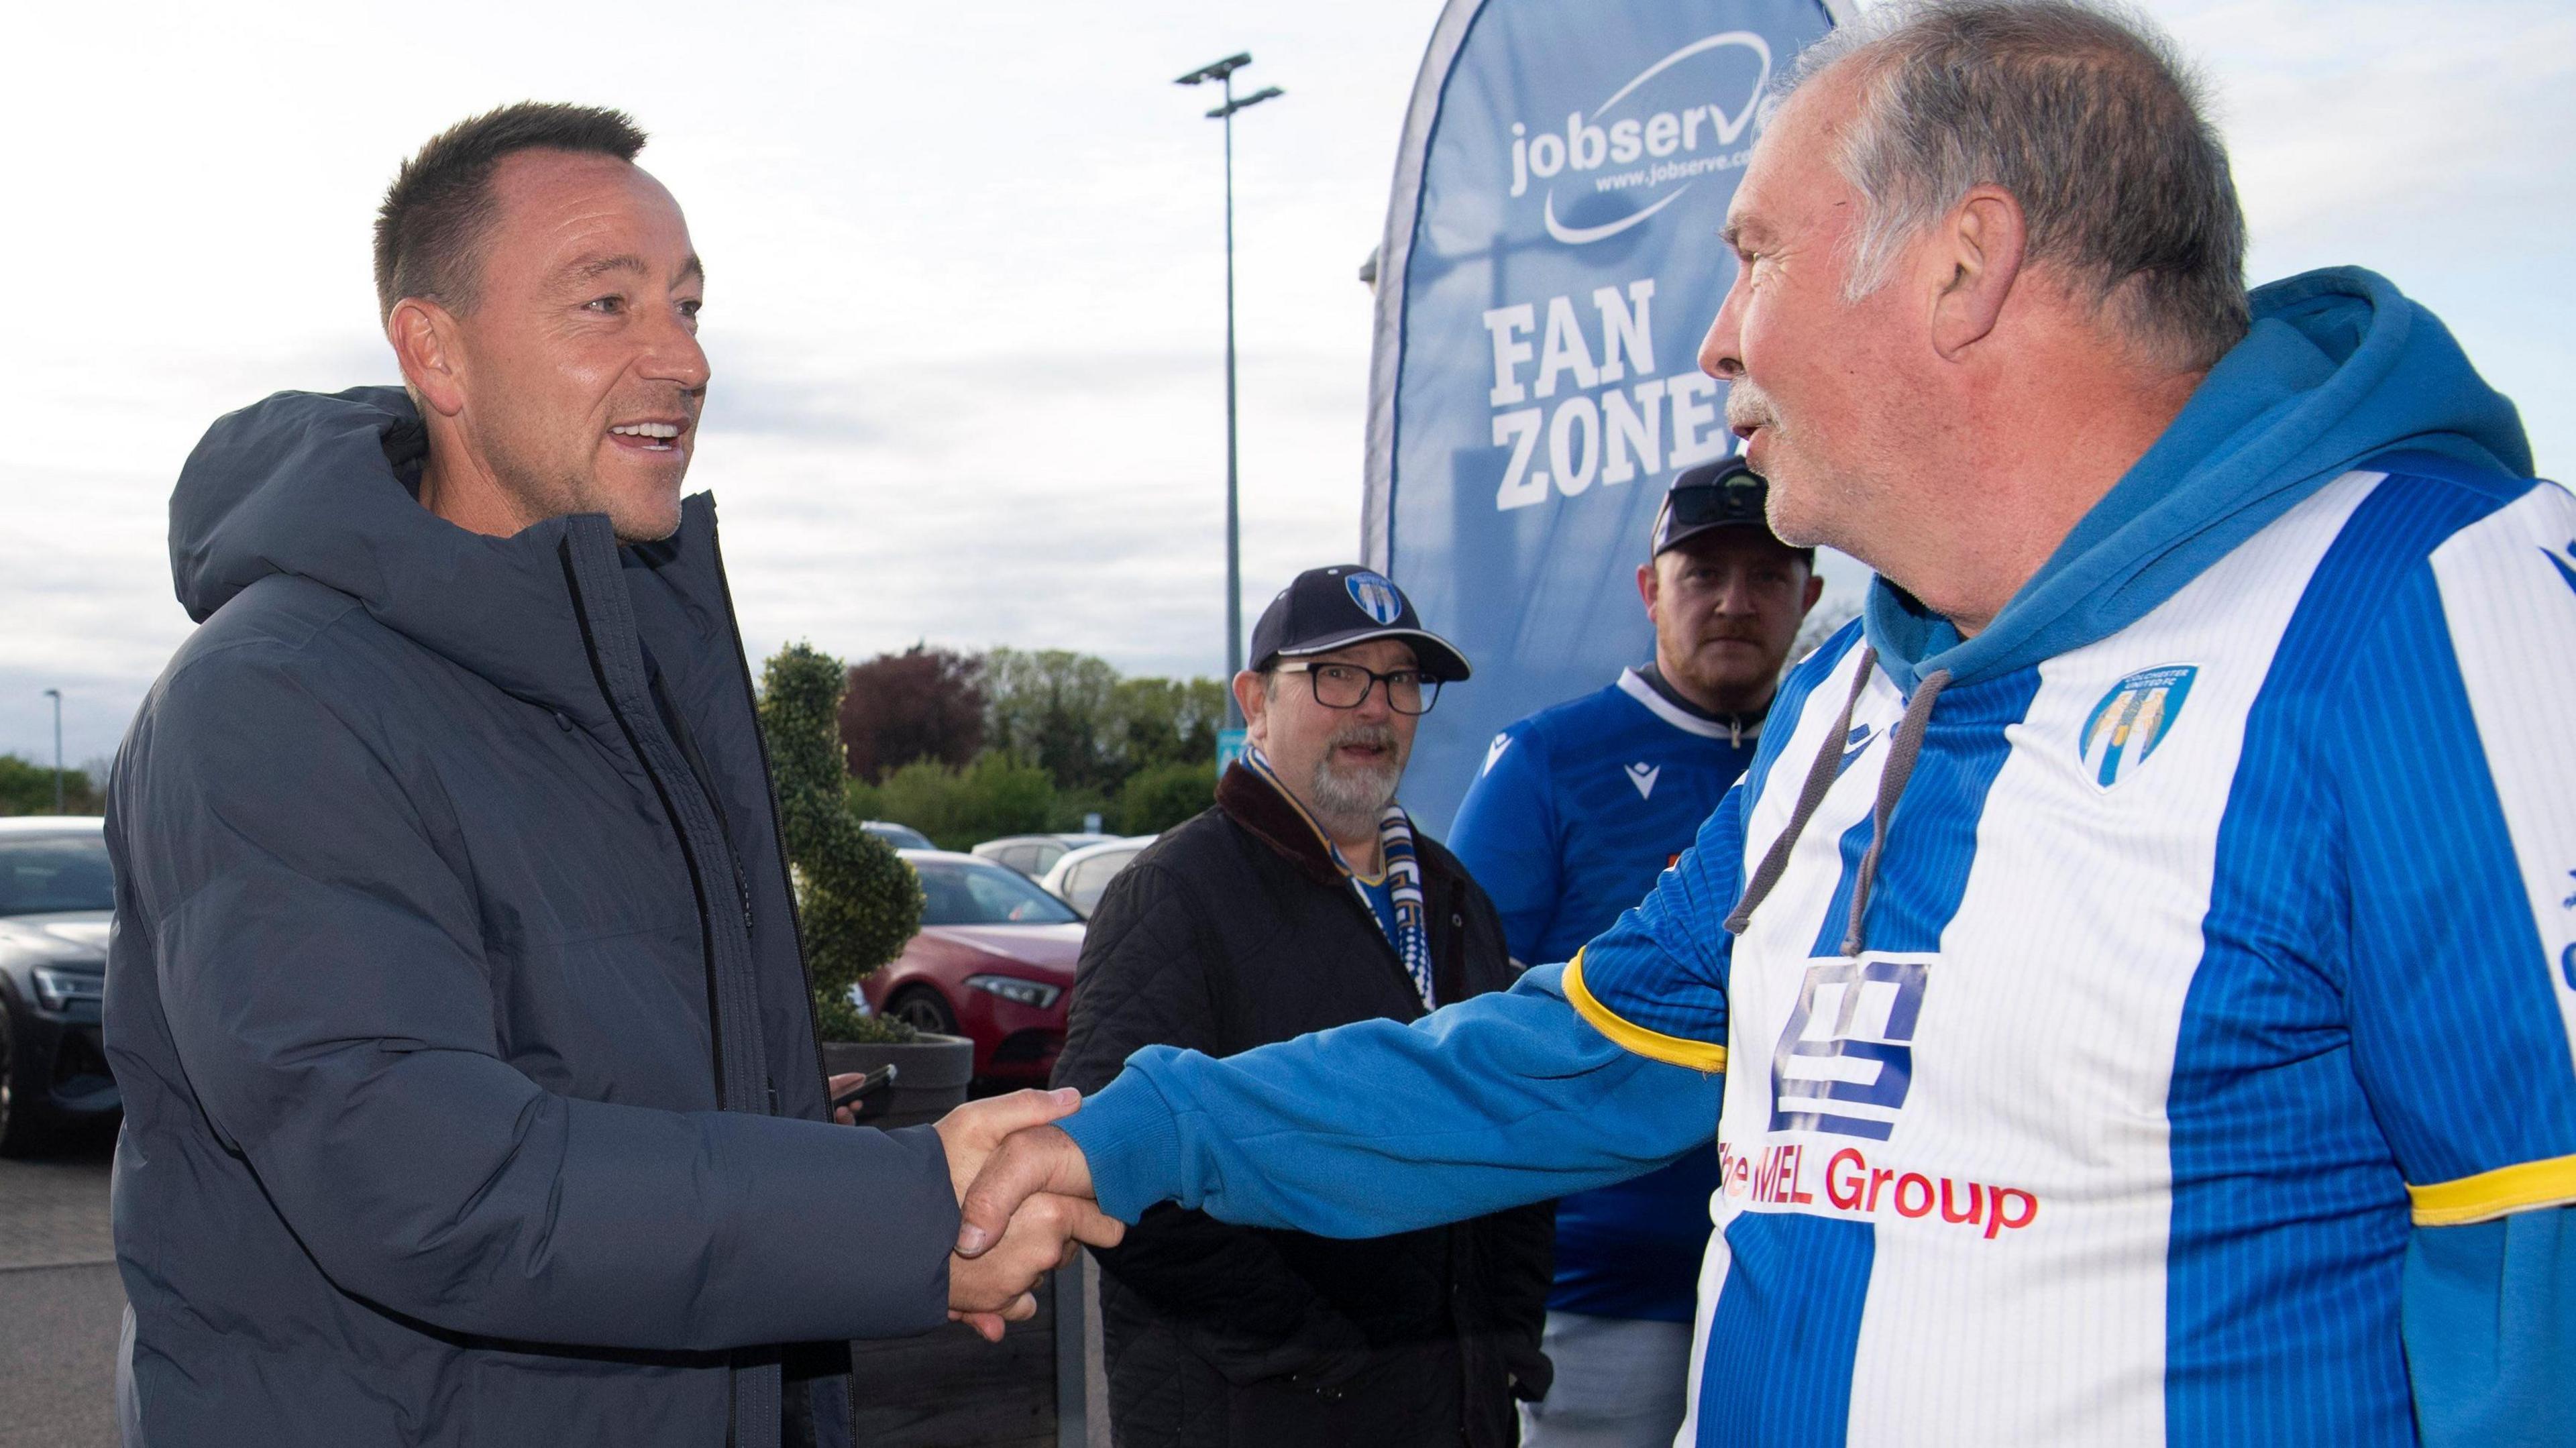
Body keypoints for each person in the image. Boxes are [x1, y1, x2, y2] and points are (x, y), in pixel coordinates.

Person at [955, 3, 2576, 1444]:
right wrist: (1145, 1130)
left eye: (1756, 256)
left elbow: (2541, 1281)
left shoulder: (2434, 608)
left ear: (1962, 263)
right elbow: (1579, 1060)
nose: (1718, 336)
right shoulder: (1850, 694)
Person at [102, 103, 1114, 1448]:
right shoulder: (274, 700)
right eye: (607, 304)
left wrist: (844, 1207)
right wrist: (906, 1214)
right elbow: (424, 1178)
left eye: (691, 307)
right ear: (437, 353)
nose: (683, 358)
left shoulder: (636, 683)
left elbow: (608, 1075)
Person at [1051, 565, 1552, 1447]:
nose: (1375, 708)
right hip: (1264, 1414)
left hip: (1452, 1409)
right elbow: (1111, 1164)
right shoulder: (1173, 895)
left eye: (1400, 680)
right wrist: (1321, 1353)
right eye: (1337, 674)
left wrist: (1504, 1338)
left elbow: (1517, 1128)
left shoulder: (1454, 895)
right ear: (1255, 699)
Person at [1449, 458, 1820, 1448]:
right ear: (1652, 589)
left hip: (1800, 1283)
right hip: (1605, 1291)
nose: (1736, 603)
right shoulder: (1548, 761)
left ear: (1811, 596)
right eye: (1703, 574)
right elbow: (1467, 1019)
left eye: (1768, 575)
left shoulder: (1847, 753)